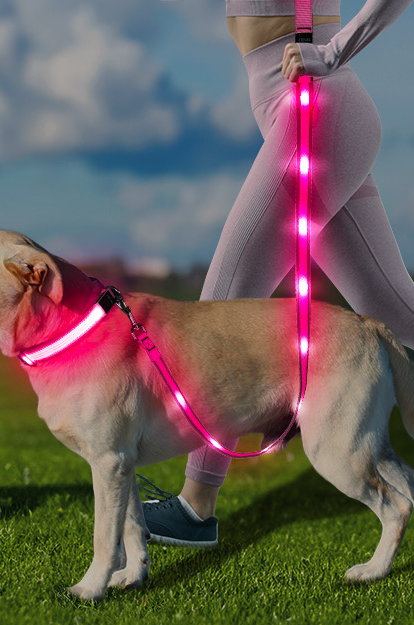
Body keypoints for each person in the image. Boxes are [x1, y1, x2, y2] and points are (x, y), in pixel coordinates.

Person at [141, 0, 414, 548]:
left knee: (221, 312)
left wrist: (333, 51)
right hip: (304, 110)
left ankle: (197, 507)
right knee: (400, 315)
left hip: (316, 106)